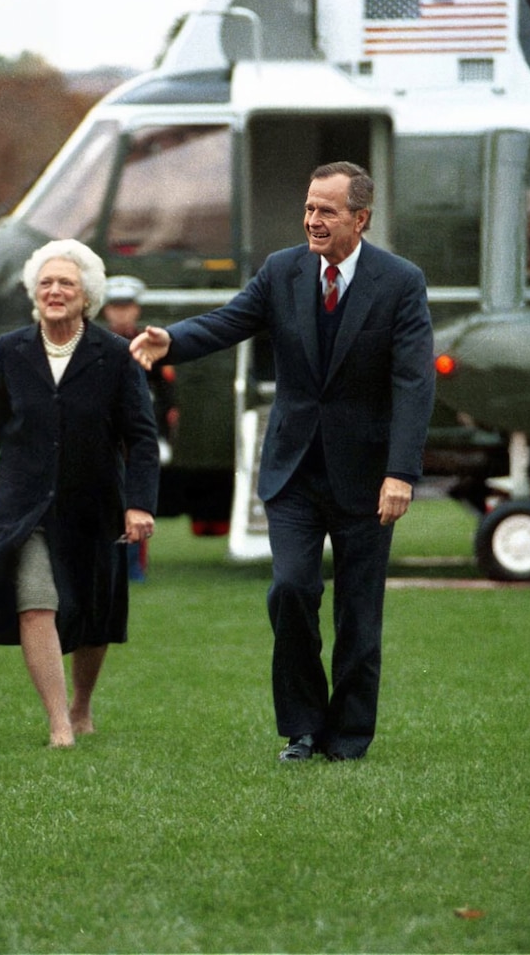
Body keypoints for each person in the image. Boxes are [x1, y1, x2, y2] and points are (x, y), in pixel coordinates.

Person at [130, 162, 435, 762]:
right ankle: (302, 727)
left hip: (368, 477)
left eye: (326, 210)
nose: (312, 220)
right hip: (293, 468)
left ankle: (347, 736)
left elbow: (414, 381)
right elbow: (229, 321)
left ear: (360, 218)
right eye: (308, 207)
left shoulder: (400, 282)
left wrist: (401, 472)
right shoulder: (282, 270)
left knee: (358, 612)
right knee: (290, 589)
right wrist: (175, 340)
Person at [0, 239, 160, 748]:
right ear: (33, 294)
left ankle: (82, 705)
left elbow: (142, 436)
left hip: (95, 503)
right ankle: (60, 723)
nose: (55, 291)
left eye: (66, 284)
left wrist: (140, 503)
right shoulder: (10, 350)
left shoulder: (114, 355)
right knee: (36, 603)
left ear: (87, 297)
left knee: (92, 612)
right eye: (46, 283)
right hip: (24, 505)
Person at [100, 275, 178, 581]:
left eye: (127, 306)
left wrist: (164, 436)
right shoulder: (96, 345)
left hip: (137, 440)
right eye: (115, 307)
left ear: (136, 309)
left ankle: (134, 568)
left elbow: (167, 397)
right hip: (106, 439)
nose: (121, 313)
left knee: (137, 501)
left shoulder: (149, 347)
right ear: (106, 310)